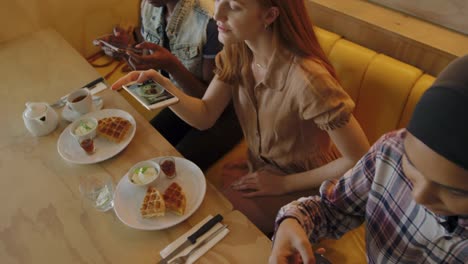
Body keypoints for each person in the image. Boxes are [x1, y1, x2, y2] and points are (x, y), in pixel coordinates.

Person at [111, 0, 369, 234]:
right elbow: (205, 115)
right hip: (264, 170)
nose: (217, 14)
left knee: (209, 224)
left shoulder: (308, 79)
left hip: (313, 186)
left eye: (234, 6)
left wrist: (283, 184)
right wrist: (161, 85)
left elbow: (359, 158)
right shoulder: (238, 52)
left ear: (269, 15)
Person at [269, 55, 468, 264]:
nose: (419, 196)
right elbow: (332, 209)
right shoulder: (391, 152)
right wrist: (293, 221)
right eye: (411, 163)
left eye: (453, 191)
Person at [95, 0, 243, 171]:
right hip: (182, 97)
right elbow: (152, 53)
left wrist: (171, 66)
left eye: (236, 6)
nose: (220, 13)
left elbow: (208, 102)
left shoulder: (210, 23)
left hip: (225, 112)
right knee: (143, 143)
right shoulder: (150, 6)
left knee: (173, 166)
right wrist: (128, 49)